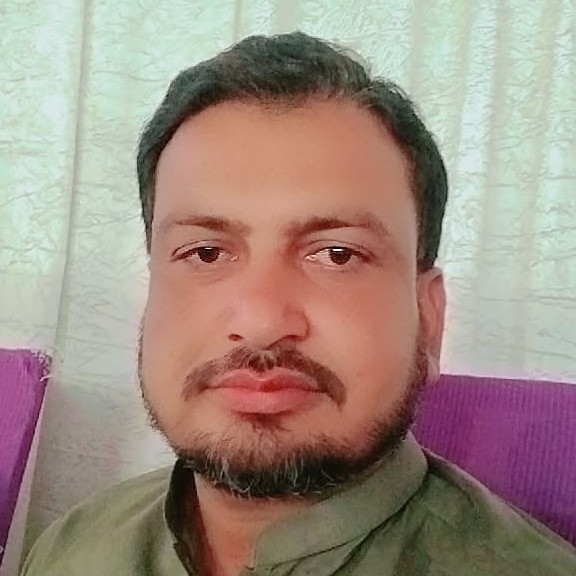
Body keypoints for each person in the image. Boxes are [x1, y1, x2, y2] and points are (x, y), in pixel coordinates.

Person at [22, 32, 576, 576]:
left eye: (337, 254)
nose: (262, 321)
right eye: (205, 252)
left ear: (429, 320)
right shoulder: (70, 550)